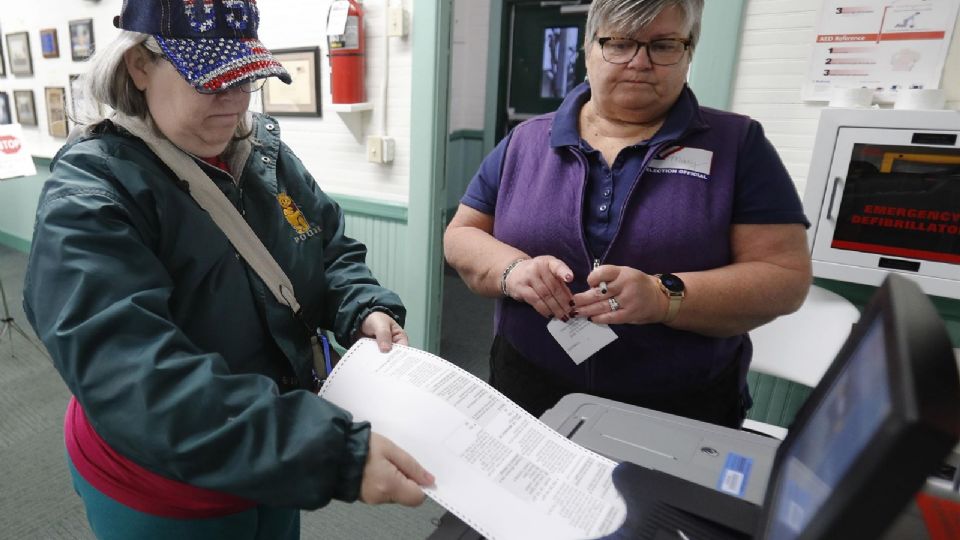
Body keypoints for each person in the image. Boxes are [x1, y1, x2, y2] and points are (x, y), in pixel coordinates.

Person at [22, 1, 433, 538]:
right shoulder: (90, 194)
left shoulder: (262, 151)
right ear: (138, 68)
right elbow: (133, 377)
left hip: (271, 455)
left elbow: (326, 246)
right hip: (163, 482)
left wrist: (363, 306)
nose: (235, 101)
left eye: (246, 78)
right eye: (212, 80)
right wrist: (325, 452)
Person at [444, 0, 812, 428]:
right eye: (619, 43)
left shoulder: (738, 146)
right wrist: (512, 270)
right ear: (588, 50)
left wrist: (664, 297)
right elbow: (461, 234)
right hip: (528, 382)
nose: (640, 62)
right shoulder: (525, 142)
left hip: (677, 405)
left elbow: (784, 277)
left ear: (688, 51)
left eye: (664, 45)